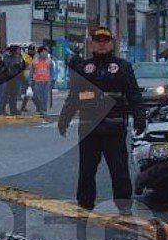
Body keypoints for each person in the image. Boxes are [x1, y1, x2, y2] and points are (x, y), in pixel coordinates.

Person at [58, 25, 145, 212]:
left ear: (112, 44)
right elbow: (74, 96)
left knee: (119, 171)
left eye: (106, 41)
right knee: (87, 171)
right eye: (98, 41)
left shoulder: (123, 67)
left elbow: (134, 95)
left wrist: (140, 118)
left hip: (114, 128)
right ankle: (85, 206)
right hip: (89, 129)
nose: (102, 44)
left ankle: (124, 208)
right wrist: (64, 118)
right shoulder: (83, 67)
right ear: (91, 44)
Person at [1, 45, 25, 115]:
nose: (19, 51)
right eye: (18, 50)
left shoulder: (18, 57)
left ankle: (13, 110)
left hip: (16, 79)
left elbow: (21, 68)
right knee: (7, 95)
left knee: (14, 95)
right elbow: (6, 67)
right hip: (8, 79)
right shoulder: (6, 57)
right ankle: (2, 110)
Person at [30, 46, 54, 115]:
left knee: (44, 96)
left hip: (46, 81)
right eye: (44, 52)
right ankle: (39, 108)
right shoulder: (35, 61)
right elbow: (31, 72)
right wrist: (30, 80)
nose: (46, 53)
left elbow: (52, 71)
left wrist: (51, 80)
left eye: (46, 52)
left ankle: (43, 109)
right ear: (40, 53)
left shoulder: (49, 61)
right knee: (37, 96)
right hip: (37, 81)